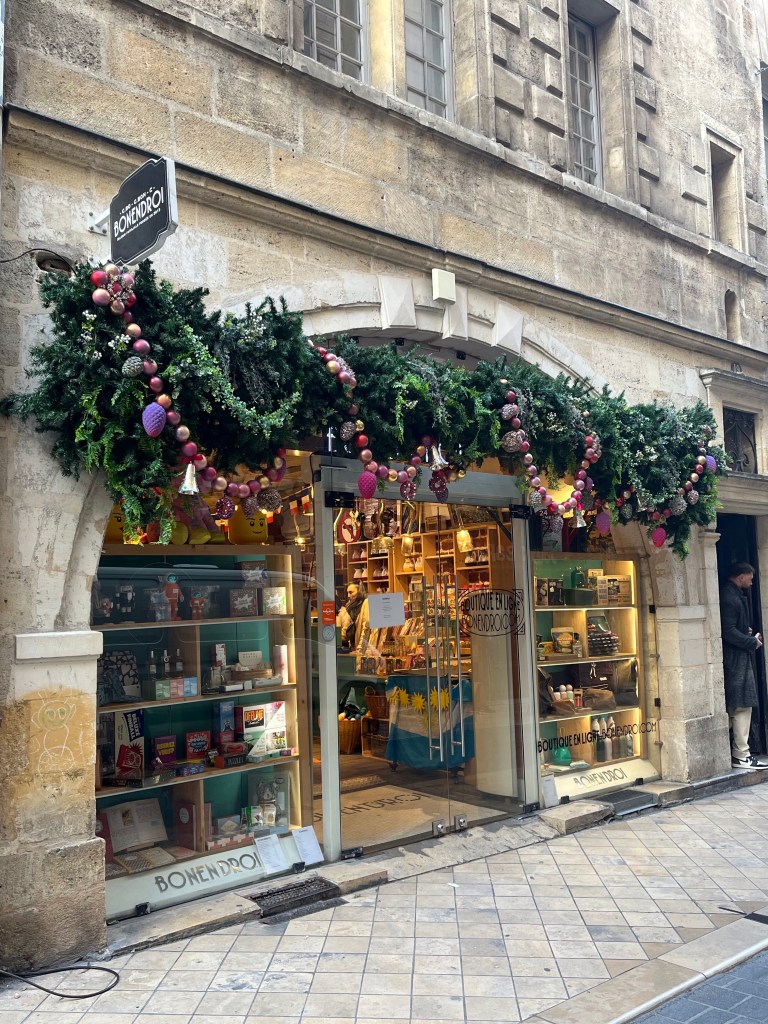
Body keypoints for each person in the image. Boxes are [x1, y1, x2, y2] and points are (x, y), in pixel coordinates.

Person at [720, 562, 768, 769]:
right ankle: (741, 754)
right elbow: (728, 631)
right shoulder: (730, 597)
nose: (752, 581)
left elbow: (732, 627)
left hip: (737, 658)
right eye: (750, 577)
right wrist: (751, 642)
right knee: (741, 705)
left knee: (739, 705)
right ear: (741, 577)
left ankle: (739, 753)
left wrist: (745, 631)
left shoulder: (732, 595)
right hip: (735, 660)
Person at [337, 582, 367, 650]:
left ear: (359, 592)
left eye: (351, 592)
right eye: (347, 593)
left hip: (361, 646)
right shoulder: (348, 606)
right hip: (353, 645)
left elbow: (366, 628)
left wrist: (361, 647)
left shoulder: (365, 604)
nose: (348, 595)